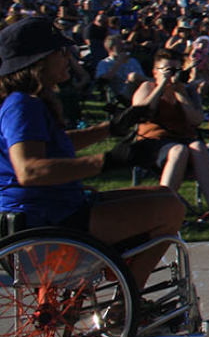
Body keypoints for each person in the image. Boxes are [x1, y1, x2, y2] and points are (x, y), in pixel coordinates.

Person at [0, 17, 184, 289]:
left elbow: (58, 144)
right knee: (172, 209)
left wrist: (112, 127)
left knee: (165, 194)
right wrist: (107, 161)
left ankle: (100, 293)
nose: (68, 57)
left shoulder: (24, 102)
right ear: (38, 61)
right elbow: (29, 170)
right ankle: (127, 302)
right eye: (61, 52)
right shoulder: (22, 106)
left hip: (49, 212)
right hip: (48, 223)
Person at [133, 50, 209, 222]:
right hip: (153, 143)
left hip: (183, 139)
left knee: (198, 147)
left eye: (176, 70)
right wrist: (161, 86)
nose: (172, 75)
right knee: (178, 150)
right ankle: (162, 208)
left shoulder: (187, 91)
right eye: (167, 70)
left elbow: (196, 120)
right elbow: (141, 113)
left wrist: (181, 94)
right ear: (155, 71)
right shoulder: (147, 88)